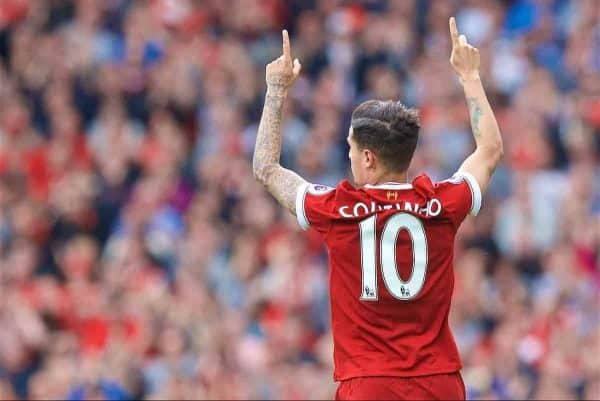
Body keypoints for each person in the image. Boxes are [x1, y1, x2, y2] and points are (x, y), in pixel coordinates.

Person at [253, 17, 503, 401]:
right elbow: (489, 150)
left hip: (369, 383)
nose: (349, 156)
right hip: (438, 382)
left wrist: (275, 90)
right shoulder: (441, 204)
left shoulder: (338, 210)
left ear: (368, 157)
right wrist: (469, 75)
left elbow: (266, 167)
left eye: (351, 149)